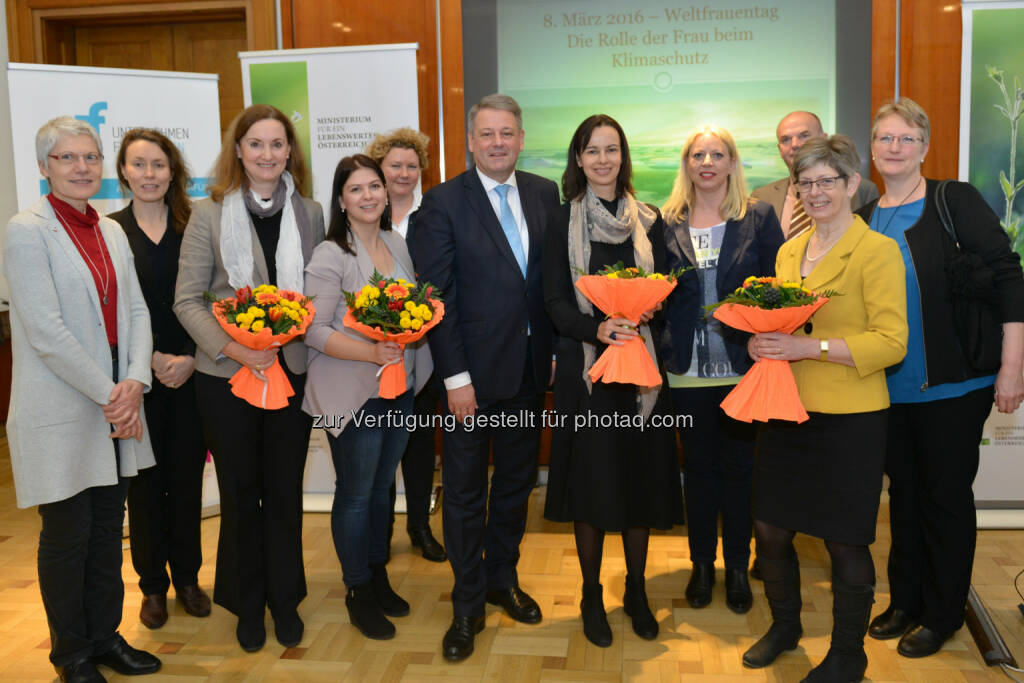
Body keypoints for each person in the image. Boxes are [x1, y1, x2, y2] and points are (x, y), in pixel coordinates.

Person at [856, 98, 1024, 658]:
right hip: (886, 389)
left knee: (945, 499)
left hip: (954, 387)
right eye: (885, 138)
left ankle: (944, 611)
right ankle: (905, 600)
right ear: (873, 148)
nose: (895, 148)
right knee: (901, 498)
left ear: (925, 148)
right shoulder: (865, 217)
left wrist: (1013, 366)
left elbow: (1008, 278)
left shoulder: (955, 200)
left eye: (907, 138)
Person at [741, 135, 907, 682]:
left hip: (851, 419)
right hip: (786, 408)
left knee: (845, 541)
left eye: (825, 181)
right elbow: (779, 320)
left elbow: (891, 342)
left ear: (852, 185)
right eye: (803, 182)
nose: (814, 192)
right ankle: (786, 626)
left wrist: (809, 348)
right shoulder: (790, 250)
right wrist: (759, 340)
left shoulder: (878, 251)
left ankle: (847, 654)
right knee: (769, 529)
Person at [4, 116, 161, 682]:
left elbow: (138, 311)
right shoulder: (26, 230)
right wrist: (112, 394)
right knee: (67, 536)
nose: (81, 167)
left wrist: (136, 381)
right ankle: (70, 656)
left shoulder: (112, 230)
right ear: (44, 167)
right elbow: (45, 331)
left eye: (90, 157)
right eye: (67, 158)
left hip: (117, 402)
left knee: (103, 533)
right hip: (64, 406)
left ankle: (104, 638)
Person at [408, 93, 560, 661]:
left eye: (508, 133)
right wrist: (454, 379)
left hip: (527, 372)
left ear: (521, 138)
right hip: (469, 380)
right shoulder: (442, 203)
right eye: (487, 134)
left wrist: (550, 353)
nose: (498, 143)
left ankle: (502, 580)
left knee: (517, 486)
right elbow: (436, 297)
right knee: (467, 493)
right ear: (471, 141)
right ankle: (467, 603)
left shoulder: (545, 194)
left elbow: (548, 285)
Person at [173, 104, 324, 652]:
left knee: (284, 493)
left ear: (290, 152)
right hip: (226, 380)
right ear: (238, 151)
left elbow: (314, 294)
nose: (267, 154)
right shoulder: (207, 214)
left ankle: (285, 601)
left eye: (277, 144)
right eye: (255, 144)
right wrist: (237, 348)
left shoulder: (311, 212)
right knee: (239, 494)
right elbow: (187, 301)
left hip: (290, 374)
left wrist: (287, 336)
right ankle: (246, 602)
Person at [542, 114, 683, 647]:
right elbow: (554, 301)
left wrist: (648, 311)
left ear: (624, 157)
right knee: (593, 489)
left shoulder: (648, 220)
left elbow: (665, 288)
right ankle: (589, 594)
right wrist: (597, 327)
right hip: (589, 375)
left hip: (642, 375)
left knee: (642, 484)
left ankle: (638, 592)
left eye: (612, 150)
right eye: (592, 151)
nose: (603, 160)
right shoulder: (560, 222)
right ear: (578, 159)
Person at [303, 155, 433, 640]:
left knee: (383, 489)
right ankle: (357, 589)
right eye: (355, 189)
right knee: (356, 495)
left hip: (396, 388)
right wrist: (371, 352)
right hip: (352, 392)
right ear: (341, 200)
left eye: (374, 186)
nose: (368, 196)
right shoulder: (330, 254)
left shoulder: (397, 243)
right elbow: (313, 331)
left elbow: (411, 312)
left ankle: (377, 574)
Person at [660, 125, 784, 614]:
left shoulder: (758, 217)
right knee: (700, 470)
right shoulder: (666, 220)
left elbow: (776, 290)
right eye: (697, 155)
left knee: (739, 471)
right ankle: (701, 567)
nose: (706, 162)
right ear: (686, 164)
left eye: (717, 154)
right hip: (686, 372)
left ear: (733, 163)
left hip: (741, 368)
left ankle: (737, 568)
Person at [109, 128, 210, 631]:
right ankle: (152, 587)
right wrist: (148, 361)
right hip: (137, 381)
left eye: (158, 165)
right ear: (123, 170)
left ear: (173, 172)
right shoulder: (109, 231)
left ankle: (188, 578)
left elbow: (214, 297)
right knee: (144, 486)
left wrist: (191, 355)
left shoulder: (195, 225)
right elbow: (108, 313)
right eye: (138, 164)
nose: (149, 175)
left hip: (193, 374)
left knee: (186, 480)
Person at [366, 128, 446, 562]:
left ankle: (419, 525)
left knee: (417, 446)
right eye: (394, 165)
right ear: (380, 169)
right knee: (377, 446)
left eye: (411, 166)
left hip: (423, 351)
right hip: (369, 355)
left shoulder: (432, 214)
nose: (403, 173)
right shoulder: (363, 213)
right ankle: (382, 528)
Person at [752, 111, 879, 239]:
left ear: (823, 139)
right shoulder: (761, 197)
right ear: (780, 149)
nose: (795, 144)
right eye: (786, 139)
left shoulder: (862, 190)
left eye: (804, 135)